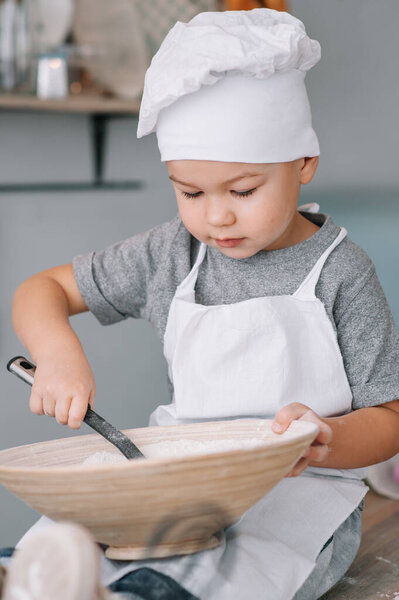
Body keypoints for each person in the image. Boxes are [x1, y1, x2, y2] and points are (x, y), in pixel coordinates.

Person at [2, 8, 399, 600]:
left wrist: (330, 439)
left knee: (208, 572)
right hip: (177, 476)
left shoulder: (341, 270)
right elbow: (43, 290)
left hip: (295, 494)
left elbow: (389, 418)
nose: (216, 216)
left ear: (303, 164)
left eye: (243, 190)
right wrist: (57, 353)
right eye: (189, 191)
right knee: (67, 540)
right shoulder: (174, 253)